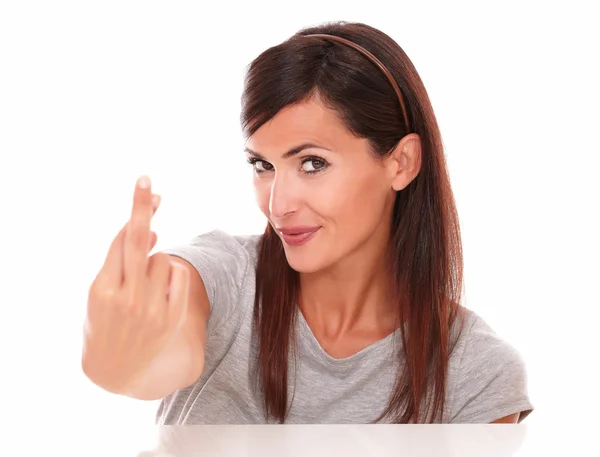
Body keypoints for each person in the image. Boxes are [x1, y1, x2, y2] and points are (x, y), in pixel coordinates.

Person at [82, 21, 534, 424]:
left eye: (313, 164)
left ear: (401, 162)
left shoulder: (476, 373)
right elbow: (169, 338)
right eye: (263, 165)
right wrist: (126, 362)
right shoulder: (226, 277)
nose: (277, 205)